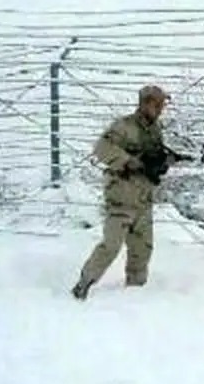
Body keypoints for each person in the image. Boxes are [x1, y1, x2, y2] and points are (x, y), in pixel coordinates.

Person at [71, 84, 177, 300]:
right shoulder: (124, 126)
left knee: (142, 248)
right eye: (157, 104)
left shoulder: (155, 130)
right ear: (145, 103)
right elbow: (102, 148)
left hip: (143, 197)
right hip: (121, 196)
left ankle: (135, 294)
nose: (160, 108)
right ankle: (83, 285)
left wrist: (162, 163)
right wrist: (128, 161)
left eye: (162, 104)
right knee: (111, 246)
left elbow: (152, 159)